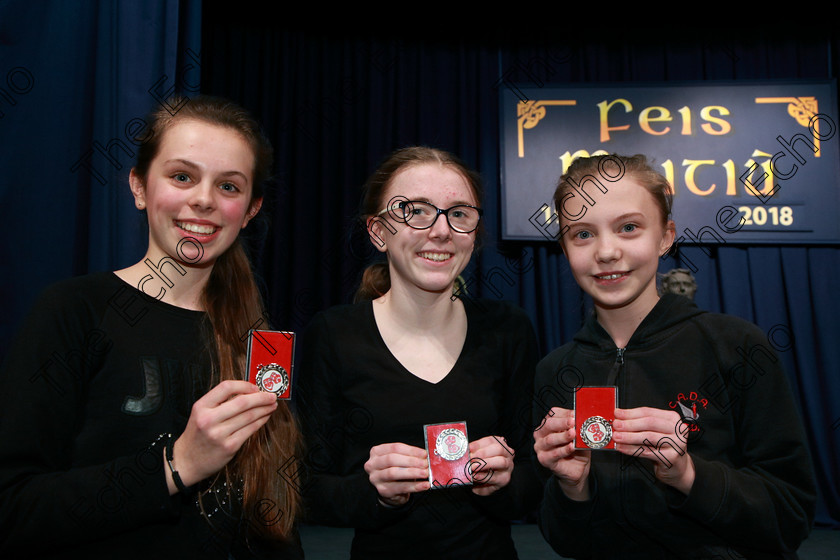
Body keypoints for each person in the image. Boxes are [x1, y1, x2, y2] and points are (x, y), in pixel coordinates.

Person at [0, 95, 303, 559]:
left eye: (228, 186)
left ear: (250, 210)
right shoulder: (75, 311)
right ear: (139, 187)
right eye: (182, 177)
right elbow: (15, 507)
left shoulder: (259, 342)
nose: (203, 200)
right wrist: (177, 465)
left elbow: (271, 520)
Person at [532, 154, 816, 559]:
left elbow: (790, 515)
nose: (607, 251)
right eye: (581, 234)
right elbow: (565, 541)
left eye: (628, 227)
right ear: (563, 246)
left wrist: (687, 475)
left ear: (666, 237)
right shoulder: (555, 371)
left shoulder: (736, 345)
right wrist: (572, 488)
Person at [296, 146, 542, 559]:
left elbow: (537, 484)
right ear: (378, 232)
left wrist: (504, 481)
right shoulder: (335, 334)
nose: (441, 231)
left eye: (459, 213)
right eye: (416, 211)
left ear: (474, 233)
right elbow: (306, 488)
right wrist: (375, 491)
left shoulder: (508, 329)